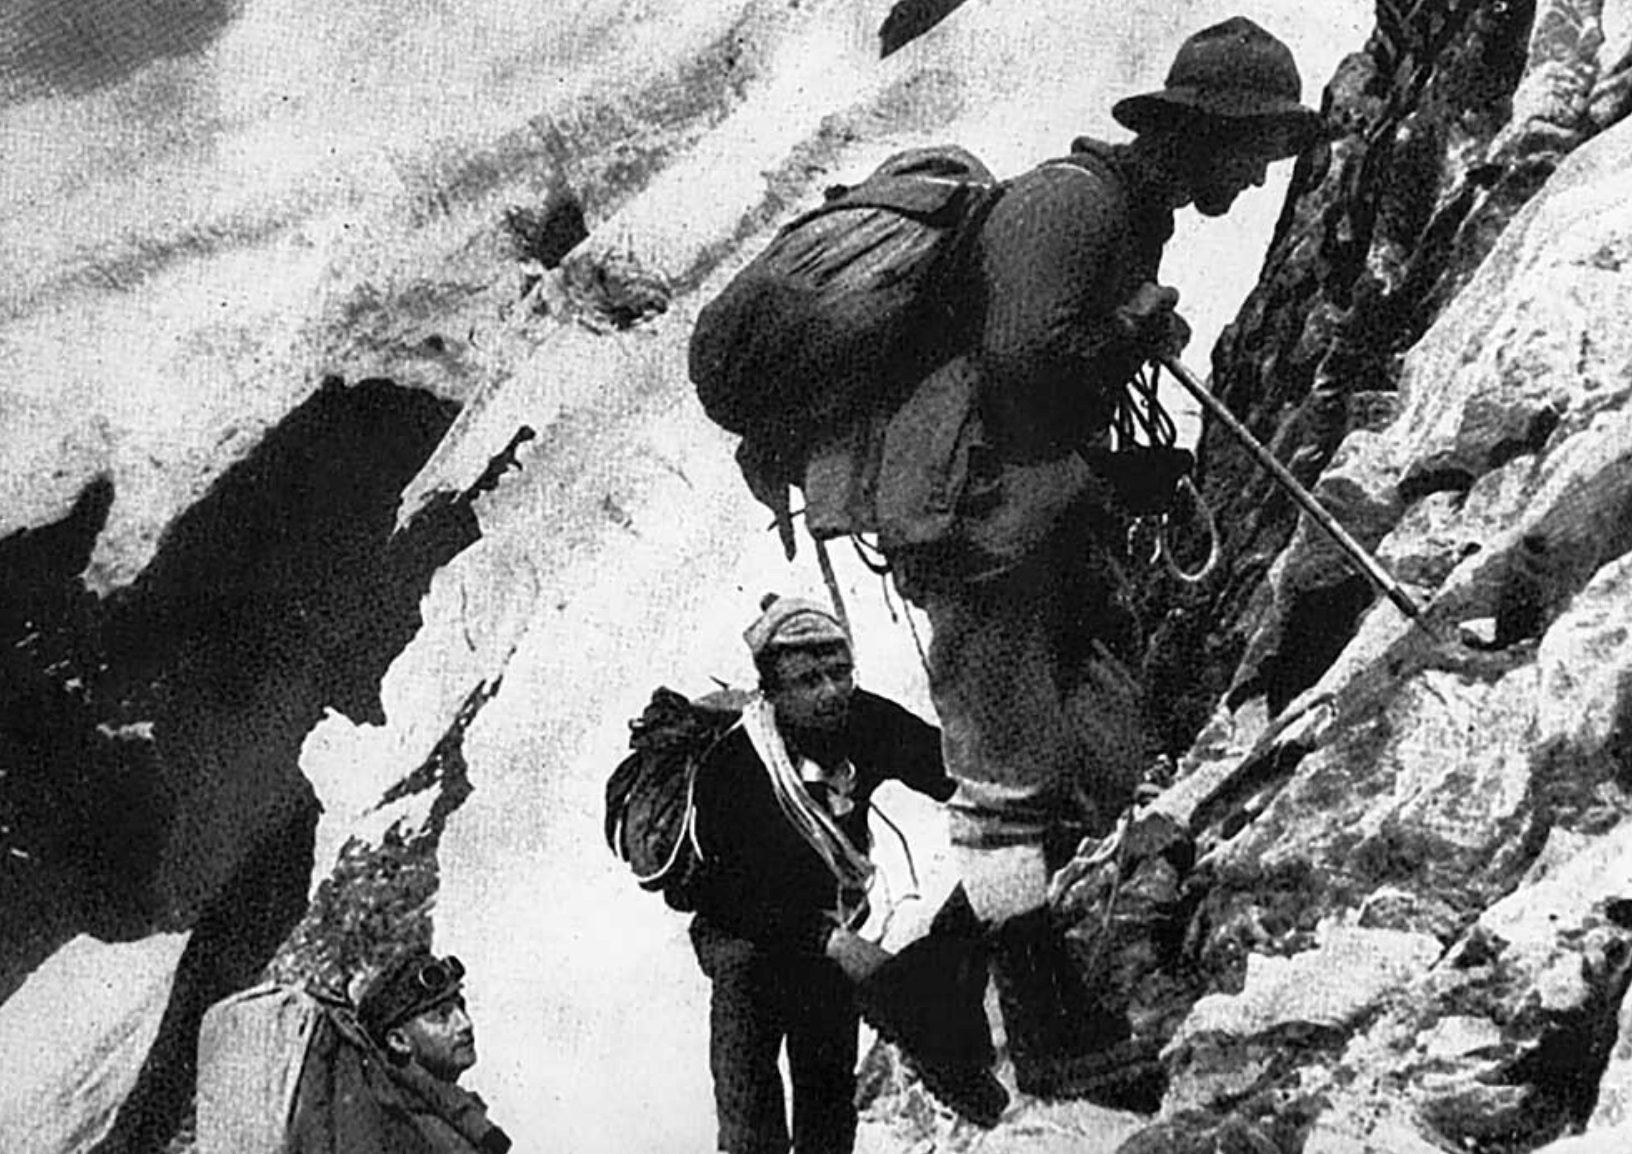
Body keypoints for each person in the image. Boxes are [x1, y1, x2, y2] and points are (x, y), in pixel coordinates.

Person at [880, 15, 1327, 1103]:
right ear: (1206, 132)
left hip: (1034, 529)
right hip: (978, 534)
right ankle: (1044, 1031)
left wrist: (1127, 471)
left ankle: (932, 991)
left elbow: (1049, 400)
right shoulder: (1074, 208)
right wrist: (1135, 328)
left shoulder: (1130, 219)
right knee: (1007, 778)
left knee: (1097, 760)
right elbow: (1025, 364)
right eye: (1255, 150)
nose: (1260, 175)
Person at [686, 594, 959, 1154]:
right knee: (751, 1117)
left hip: (828, 931)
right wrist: (830, 941)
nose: (831, 690)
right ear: (773, 692)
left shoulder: (866, 720)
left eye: (840, 673)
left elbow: (946, 769)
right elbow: (724, 894)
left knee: (828, 1099)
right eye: (809, 680)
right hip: (746, 947)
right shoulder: (734, 767)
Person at [352, 949, 513, 1154]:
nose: (465, 1024)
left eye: (461, 1007)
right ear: (399, 1041)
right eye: (441, 1015)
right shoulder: (417, 1130)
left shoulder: (449, 1115)